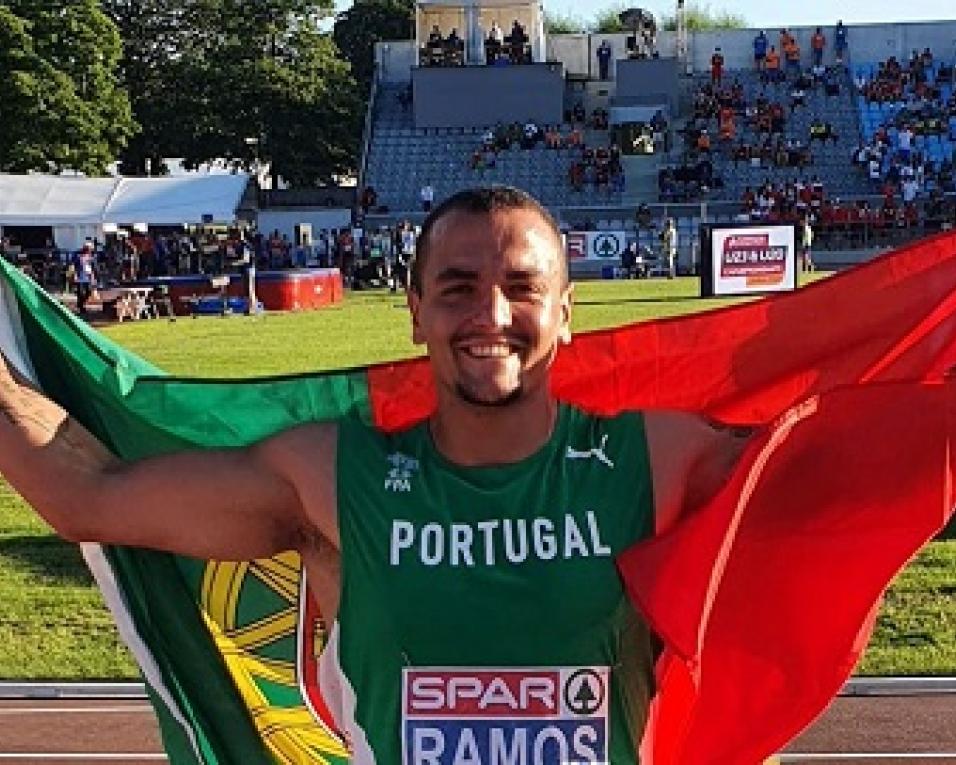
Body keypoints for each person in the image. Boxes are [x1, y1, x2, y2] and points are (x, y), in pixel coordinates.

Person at [0, 187, 751, 763]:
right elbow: (85, 497)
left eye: (521, 287)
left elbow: (835, 490)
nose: (490, 312)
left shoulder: (658, 460)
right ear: (415, 310)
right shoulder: (332, 476)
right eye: (457, 287)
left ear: (564, 310)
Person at [71, 241, 97, 316]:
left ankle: (80, 304)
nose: (89, 250)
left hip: (88, 276)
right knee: (81, 293)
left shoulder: (91, 256)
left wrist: (93, 277)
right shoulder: (78, 255)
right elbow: (73, 265)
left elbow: (92, 267)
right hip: (80, 276)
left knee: (89, 292)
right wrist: (74, 274)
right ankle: (81, 307)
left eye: (90, 249)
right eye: (88, 248)